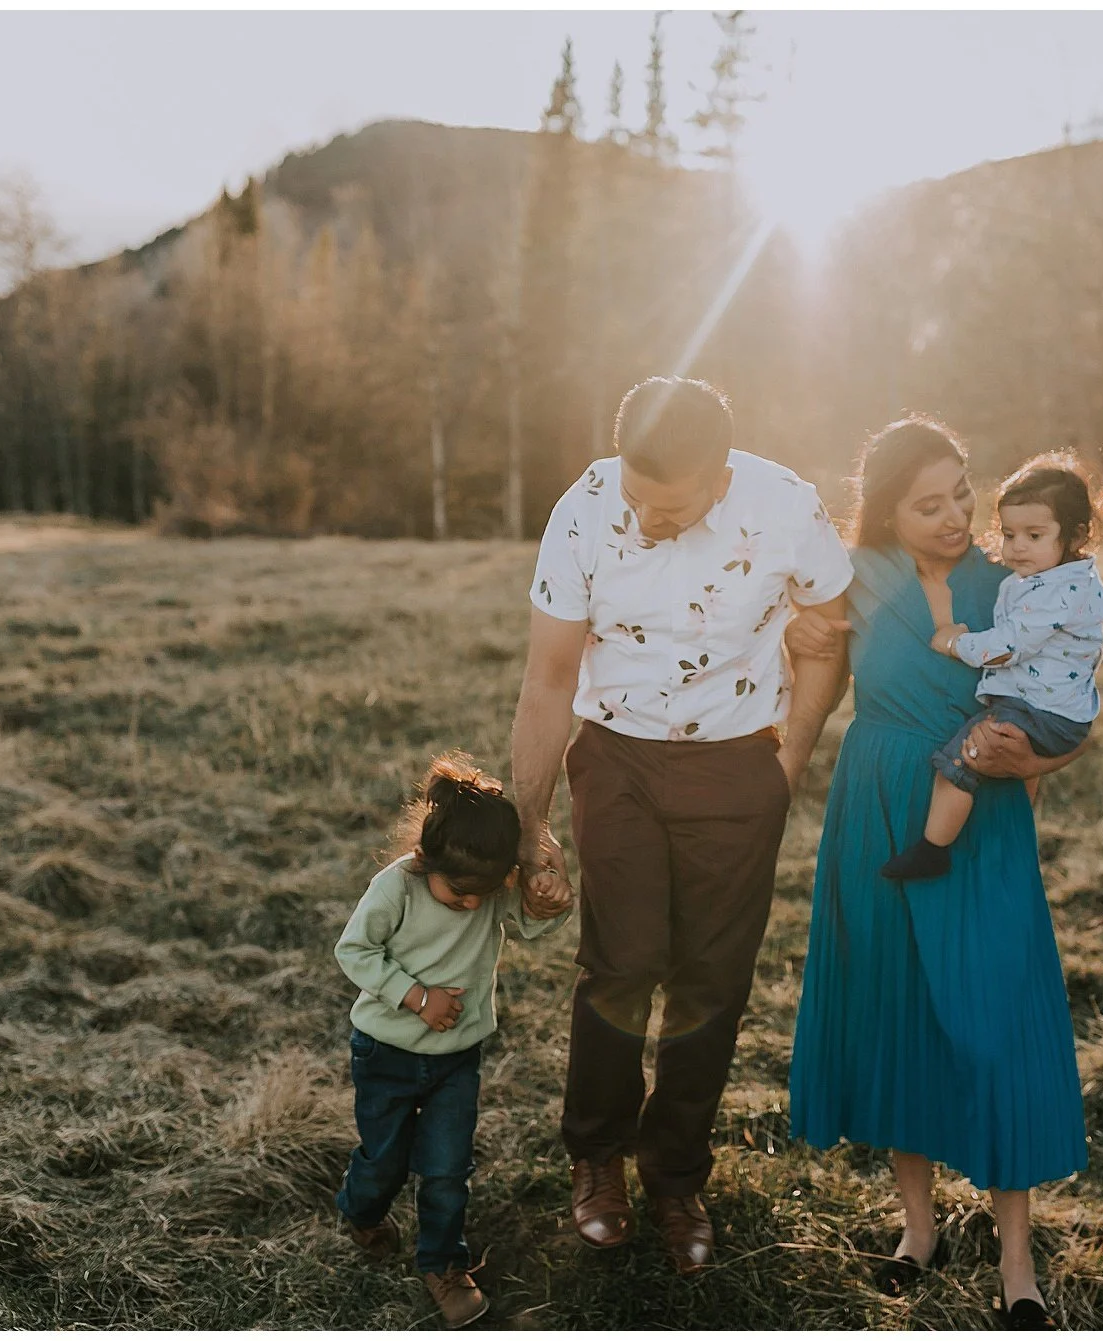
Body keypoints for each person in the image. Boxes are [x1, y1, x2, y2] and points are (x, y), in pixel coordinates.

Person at [508, 375, 853, 1274]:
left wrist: (787, 765)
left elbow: (828, 635)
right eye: (638, 499)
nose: (648, 519)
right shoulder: (584, 509)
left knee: (713, 981)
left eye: (673, 506)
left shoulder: (786, 507)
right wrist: (528, 823)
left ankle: (675, 1174)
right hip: (616, 756)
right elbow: (548, 679)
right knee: (620, 962)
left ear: (722, 473)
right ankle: (597, 1157)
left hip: (739, 766)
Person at [783, 416, 1091, 1329]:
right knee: (894, 1011)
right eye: (930, 504)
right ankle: (918, 1227)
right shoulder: (851, 577)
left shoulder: (1015, 582)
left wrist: (1030, 766)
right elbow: (809, 679)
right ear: (885, 513)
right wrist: (774, 773)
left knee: (993, 1020)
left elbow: (1071, 700)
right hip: (875, 801)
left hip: (981, 811)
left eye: (963, 491)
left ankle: (1017, 1255)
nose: (958, 515)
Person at [332, 753, 572, 1329]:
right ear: (423, 859)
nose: (471, 904)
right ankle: (361, 1210)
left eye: (482, 895)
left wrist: (550, 899)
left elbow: (531, 925)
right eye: (458, 894)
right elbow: (353, 951)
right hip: (385, 1053)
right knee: (384, 1162)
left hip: (456, 1061)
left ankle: (443, 1264)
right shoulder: (396, 888)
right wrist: (417, 998)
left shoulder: (487, 885)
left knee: (446, 1169)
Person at [881, 453, 1103, 882]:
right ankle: (998, 833)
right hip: (1058, 708)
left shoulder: (1060, 592)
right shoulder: (1056, 578)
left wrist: (955, 642)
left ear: (1076, 535)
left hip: (1043, 712)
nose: (1017, 547)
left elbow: (1009, 647)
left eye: (1033, 535)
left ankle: (934, 849)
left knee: (962, 757)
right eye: (1009, 534)